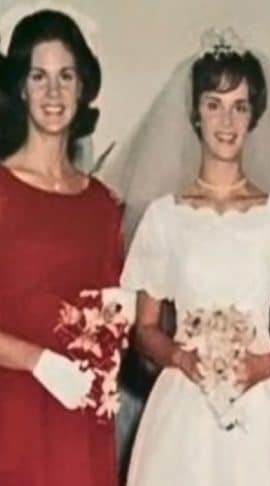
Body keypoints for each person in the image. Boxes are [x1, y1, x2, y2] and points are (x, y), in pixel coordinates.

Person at [121, 29, 270, 486]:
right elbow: (145, 328)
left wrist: (263, 366)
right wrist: (180, 357)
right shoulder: (164, 218)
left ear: (253, 116)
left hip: (259, 408)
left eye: (239, 106)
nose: (227, 121)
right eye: (214, 104)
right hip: (184, 406)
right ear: (195, 113)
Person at [0, 9, 125, 486]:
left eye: (66, 77)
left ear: (82, 87)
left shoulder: (102, 205)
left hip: (80, 421)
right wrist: (36, 360)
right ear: (21, 87)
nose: (53, 93)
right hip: (13, 418)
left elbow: (112, 313)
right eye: (39, 76)